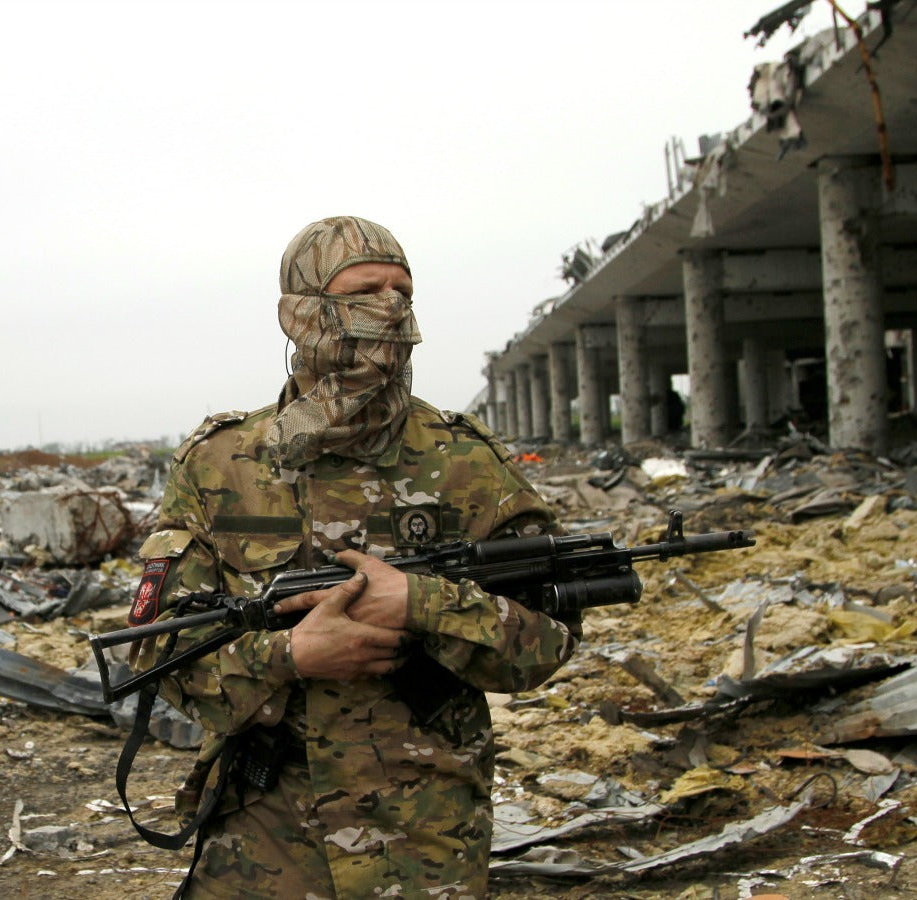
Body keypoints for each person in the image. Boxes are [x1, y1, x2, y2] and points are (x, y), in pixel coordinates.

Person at [129, 216, 581, 898]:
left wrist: (424, 602)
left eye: (405, 291)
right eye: (367, 291)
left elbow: (547, 643)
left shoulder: (464, 460)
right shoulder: (221, 463)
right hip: (263, 835)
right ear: (301, 313)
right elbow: (155, 652)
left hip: (426, 838)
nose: (394, 310)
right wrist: (291, 657)